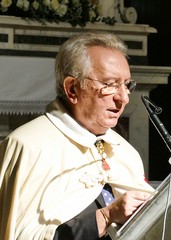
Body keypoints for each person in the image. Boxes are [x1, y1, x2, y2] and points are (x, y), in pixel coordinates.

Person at [0, 31, 154, 240]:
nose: (123, 98)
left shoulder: (124, 150)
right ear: (72, 89)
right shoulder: (28, 147)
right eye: (110, 85)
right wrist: (106, 217)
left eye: (127, 85)